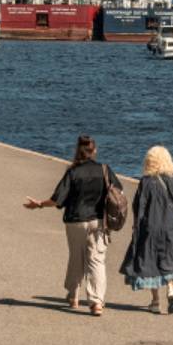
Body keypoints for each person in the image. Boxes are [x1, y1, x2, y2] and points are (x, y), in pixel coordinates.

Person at [23, 135, 123, 317]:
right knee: (96, 260)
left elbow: (57, 199)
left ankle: (73, 295)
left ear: (78, 150)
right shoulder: (104, 170)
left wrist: (38, 204)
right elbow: (118, 191)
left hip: (75, 221)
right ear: (95, 151)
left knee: (76, 258)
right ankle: (96, 302)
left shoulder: (73, 172)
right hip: (98, 221)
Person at [118, 146, 173, 315]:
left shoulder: (146, 182)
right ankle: (171, 291)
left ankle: (155, 301)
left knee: (151, 261)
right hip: (171, 226)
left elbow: (138, 206)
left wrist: (135, 226)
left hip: (149, 227)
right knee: (168, 259)